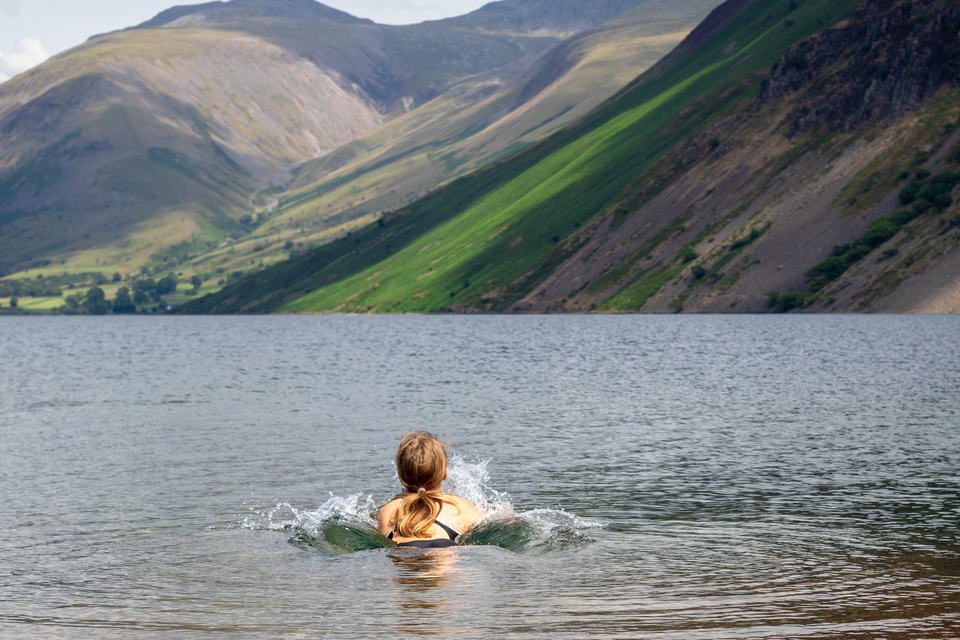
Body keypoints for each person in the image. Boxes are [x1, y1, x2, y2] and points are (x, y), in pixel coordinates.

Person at [378, 431, 480, 548]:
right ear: (445, 473)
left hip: (402, 556)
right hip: (444, 549)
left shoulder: (388, 510)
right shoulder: (461, 507)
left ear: (401, 475)